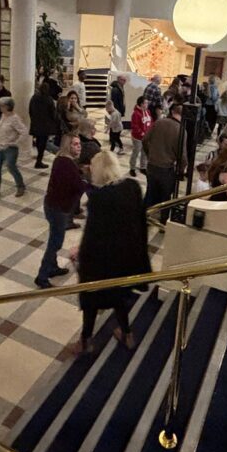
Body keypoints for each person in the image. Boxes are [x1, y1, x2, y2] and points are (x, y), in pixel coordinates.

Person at [72, 150, 151, 354]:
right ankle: (127, 334)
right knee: (120, 298)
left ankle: (86, 340)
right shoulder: (133, 188)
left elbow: (92, 237)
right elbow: (140, 224)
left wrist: (79, 256)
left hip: (102, 263)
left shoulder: (98, 199)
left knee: (90, 300)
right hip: (126, 258)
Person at [37, 134, 87, 289]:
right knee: (55, 243)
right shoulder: (67, 164)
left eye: (79, 144)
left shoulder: (62, 159)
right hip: (58, 209)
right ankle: (42, 276)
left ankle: (52, 268)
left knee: (55, 238)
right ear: (67, 146)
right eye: (75, 144)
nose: (79, 147)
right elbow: (79, 186)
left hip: (53, 206)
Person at [143, 102, 186, 222]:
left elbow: (145, 140)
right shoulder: (181, 130)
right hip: (166, 169)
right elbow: (182, 156)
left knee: (150, 192)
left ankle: (144, 217)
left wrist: (149, 155)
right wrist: (181, 171)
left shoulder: (159, 122)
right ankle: (163, 221)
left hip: (152, 165)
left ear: (173, 112)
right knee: (165, 197)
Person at [0, 96, 28, 201]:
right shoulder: (2, 116)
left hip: (10, 148)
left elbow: (24, 131)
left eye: (2, 105)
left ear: (7, 107)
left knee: (11, 167)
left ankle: (20, 186)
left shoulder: (15, 119)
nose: (0, 107)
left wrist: (15, 142)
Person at [29, 81, 60, 168]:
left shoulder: (34, 97)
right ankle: (39, 161)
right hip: (45, 126)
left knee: (39, 142)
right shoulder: (48, 99)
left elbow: (30, 110)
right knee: (43, 144)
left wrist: (33, 119)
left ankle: (39, 160)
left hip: (36, 124)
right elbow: (53, 114)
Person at [129, 95, 152, 178]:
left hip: (146, 138)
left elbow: (150, 122)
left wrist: (150, 132)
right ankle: (132, 168)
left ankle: (143, 167)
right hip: (137, 138)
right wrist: (142, 133)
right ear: (141, 104)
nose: (147, 104)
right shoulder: (135, 114)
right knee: (136, 152)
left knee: (144, 153)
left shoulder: (148, 111)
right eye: (146, 103)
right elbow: (134, 126)